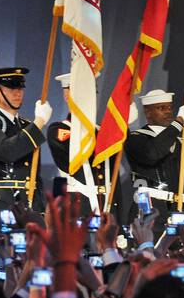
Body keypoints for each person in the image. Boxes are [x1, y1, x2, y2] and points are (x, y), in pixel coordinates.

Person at [0, 67, 51, 233]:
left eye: (20, 88)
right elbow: (6, 151)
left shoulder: (26, 126)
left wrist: (40, 208)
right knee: (6, 256)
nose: (17, 93)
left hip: (30, 204)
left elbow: (34, 173)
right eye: (11, 88)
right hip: (3, 203)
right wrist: (39, 122)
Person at [46, 71, 128, 219]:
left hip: (108, 208)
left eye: (91, 93)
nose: (89, 98)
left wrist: (121, 126)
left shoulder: (102, 131)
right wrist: (115, 128)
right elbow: (86, 151)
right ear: (67, 96)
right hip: (79, 209)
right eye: (82, 93)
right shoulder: (60, 129)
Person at [123, 89, 184, 231]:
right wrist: (179, 123)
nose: (168, 112)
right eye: (161, 108)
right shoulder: (136, 139)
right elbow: (152, 154)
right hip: (150, 213)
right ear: (148, 112)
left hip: (180, 213)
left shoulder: (182, 142)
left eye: (169, 108)